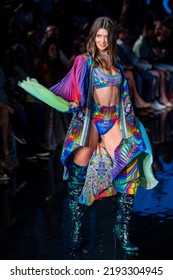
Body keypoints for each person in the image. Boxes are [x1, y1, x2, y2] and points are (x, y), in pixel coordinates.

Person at [18, 17, 158, 253]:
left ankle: (121, 229)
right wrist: (71, 105)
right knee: (77, 178)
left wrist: (131, 127)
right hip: (92, 120)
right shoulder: (85, 62)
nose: (102, 40)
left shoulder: (117, 62)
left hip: (114, 120)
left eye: (106, 36)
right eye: (98, 36)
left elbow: (124, 99)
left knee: (130, 172)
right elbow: (76, 93)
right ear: (93, 37)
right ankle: (76, 229)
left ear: (111, 38)